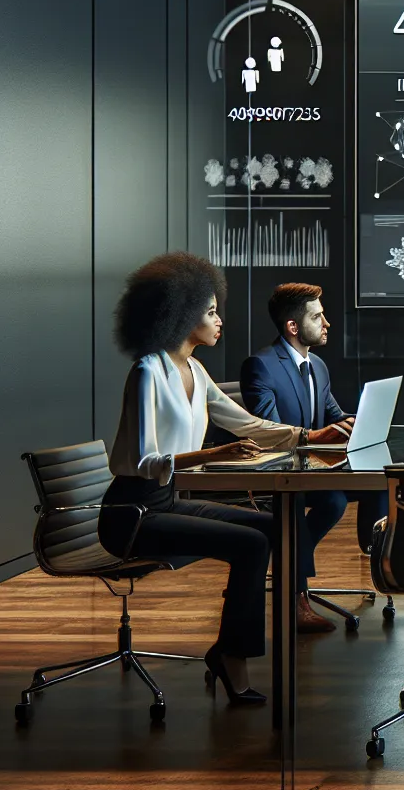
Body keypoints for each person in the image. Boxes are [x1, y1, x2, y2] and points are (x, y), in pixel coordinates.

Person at [101, 253, 345, 705]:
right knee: (252, 543)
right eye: (210, 311)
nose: (219, 320)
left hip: (167, 502)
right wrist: (216, 453)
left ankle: (235, 647)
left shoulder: (196, 370)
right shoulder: (148, 371)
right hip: (131, 512)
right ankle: (233, 657)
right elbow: (141, 460)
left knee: (272, 528)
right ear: (180, 314)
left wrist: (309, 435)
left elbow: (247, 424)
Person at [240, 283, 377, 634]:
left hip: (315, 469)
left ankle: (375, 550)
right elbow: (268, 432)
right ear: (293, 326)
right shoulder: (261, 366)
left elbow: (333, 416)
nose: (327, 323)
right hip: (280, 474)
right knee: (323, 503)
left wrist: (360, 425)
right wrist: (320, 438)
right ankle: (295, 593)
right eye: (317, 316)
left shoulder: (317, 366)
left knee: (375, 481)